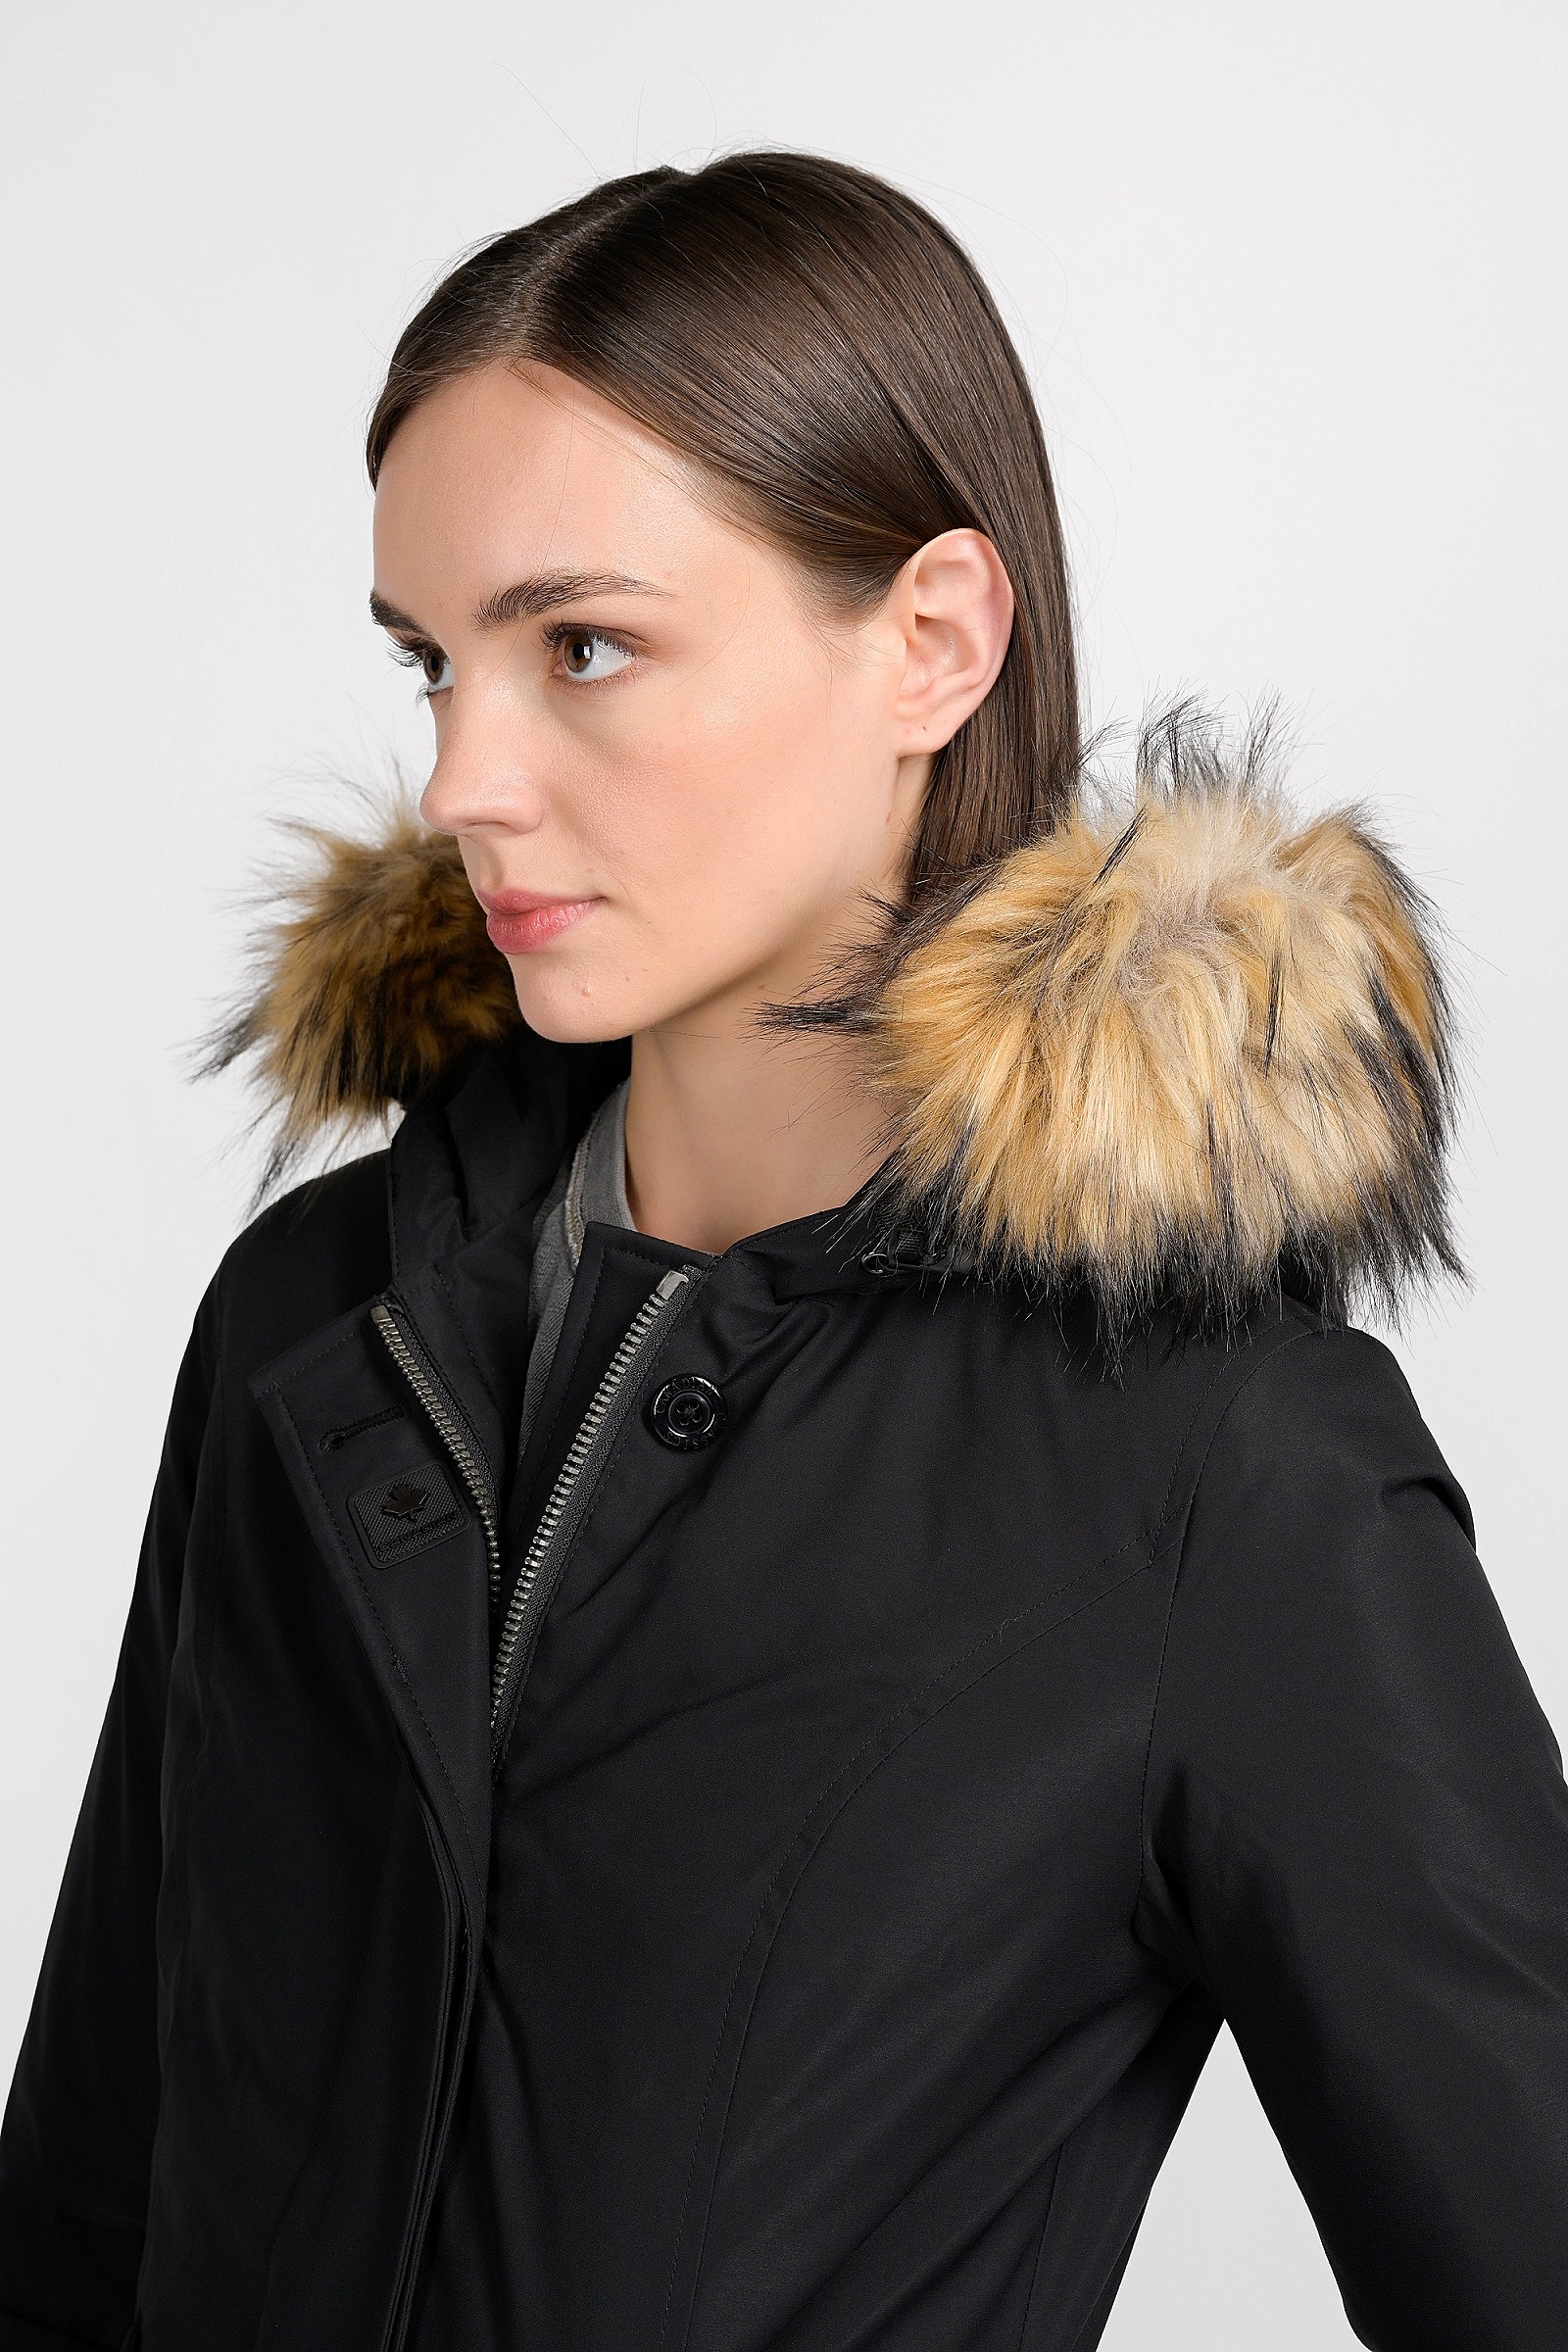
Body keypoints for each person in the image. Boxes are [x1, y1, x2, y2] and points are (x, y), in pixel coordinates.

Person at [2, 149, 1564, 2352]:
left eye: (581, 646)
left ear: (931, 642)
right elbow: (86, 2207)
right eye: (433, 662)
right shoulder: (318, 1324)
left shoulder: (1214, 1462)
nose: (461, 778)